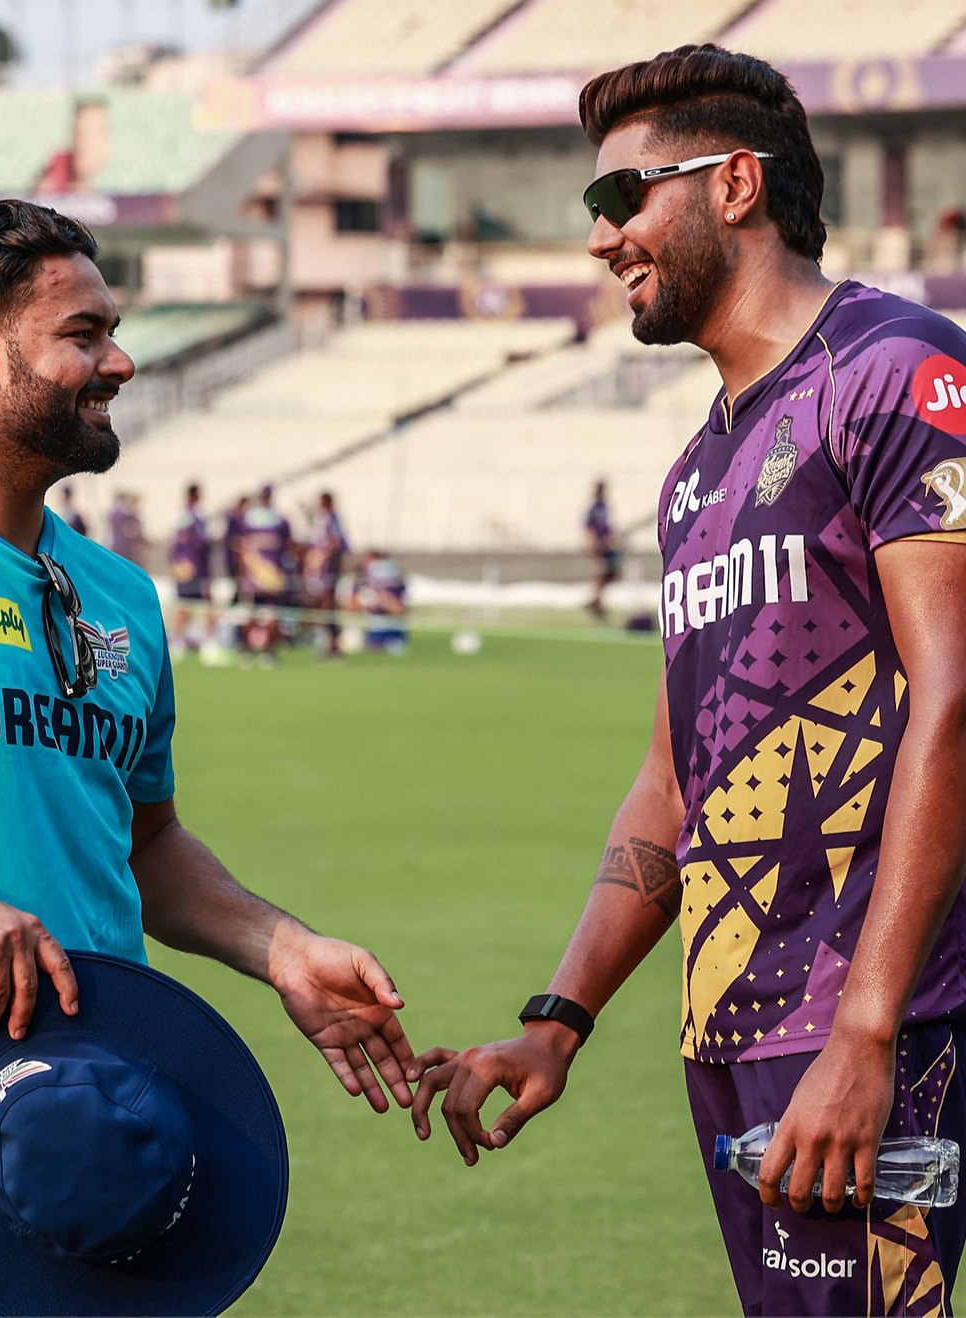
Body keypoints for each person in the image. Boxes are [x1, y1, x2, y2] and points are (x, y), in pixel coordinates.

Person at [0, 199, 416, 1317]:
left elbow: (147, 845)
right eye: (84, 333)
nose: (119, 360)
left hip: (110, 1122)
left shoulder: (121, 595)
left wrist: (280, 949)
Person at [409, 45, 966, 1317]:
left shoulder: (896, 371)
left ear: (735, 184)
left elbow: (955, 699)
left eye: (621, 198)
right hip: (733, 1030)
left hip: (869, 1021)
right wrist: (559, 1018)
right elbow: (675, 777)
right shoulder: (693, 476)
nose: (599, 237)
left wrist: (867, 1030)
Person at [237, 485, 294, 664]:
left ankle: (259, 650)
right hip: (265, 574)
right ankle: (260, 650)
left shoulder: (251, 519)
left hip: (262, 574)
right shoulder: (277, 519)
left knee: (264, 613)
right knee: (260, 613)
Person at [303, 490, 350, 657]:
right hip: (321, 572)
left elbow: (337, 542)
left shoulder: (332, 519)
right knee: (321, 606)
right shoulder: (323, 520)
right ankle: (328, 644)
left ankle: (333, 646)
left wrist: (321, 557)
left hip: (328, 572)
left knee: (328, 606)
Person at [169, 481, 212, 651]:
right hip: (194, 569)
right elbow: (195, 544)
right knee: (194, 605)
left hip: (187, 568)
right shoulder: (192, 518)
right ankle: (185, 641)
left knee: (187, 604)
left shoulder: (184, 517)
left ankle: (182, 641)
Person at [583, 479, 621, 619]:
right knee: (602, 571)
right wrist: (592, 543)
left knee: (611, 573)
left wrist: (611, 539)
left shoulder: (605, 506)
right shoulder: (594, 507)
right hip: (599, 546)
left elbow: (607, 526)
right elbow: (589, 527)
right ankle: (596, 602)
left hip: (606, 545)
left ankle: (596, 600)